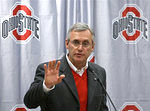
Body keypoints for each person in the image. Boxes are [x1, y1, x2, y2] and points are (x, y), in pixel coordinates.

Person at [24, 23, 108, 111]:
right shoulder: (49, 70)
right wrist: (46, 85)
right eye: (76, 42)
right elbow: (29, 103)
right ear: (67, 44)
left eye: (85, 43)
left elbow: (102, 107)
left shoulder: (99, 72)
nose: (80, 48)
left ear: (92, 47)